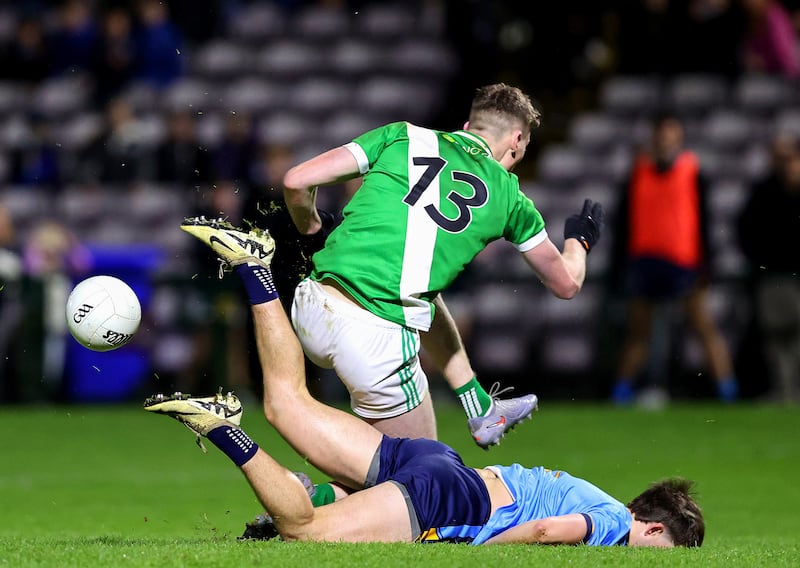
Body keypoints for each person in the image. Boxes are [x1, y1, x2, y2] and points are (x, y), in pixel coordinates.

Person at [144, 224, 704, 546]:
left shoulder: (598, 493)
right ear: (653, 529)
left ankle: (256, 269)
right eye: (667, 555)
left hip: (439, 461)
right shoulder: (612, 523)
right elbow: (544, 533)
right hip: (452, 497)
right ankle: (224, 430)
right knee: (308, 532)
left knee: (287, 402)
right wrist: (466, 544)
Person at [279, 83, 603, 447]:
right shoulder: (508, 194)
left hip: (309, 307)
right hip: (373, 337)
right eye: (524, 146)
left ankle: (479, 406)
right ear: (516, 140)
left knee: (425, 296)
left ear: (467, 126)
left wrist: (310, 227)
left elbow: (296, 180)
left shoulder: (402, 135)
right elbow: (566, 284)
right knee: (423, 476)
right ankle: (301, 501)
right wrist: (579, 240)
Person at [611, 112, 738, 404]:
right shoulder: (636, 174)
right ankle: (620, 393)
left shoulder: (694, 173)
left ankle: (728, 390)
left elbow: (704, 222)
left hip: (684, 264)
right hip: (644, 263)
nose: (665, 141)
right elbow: (623, 224)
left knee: (704, 328)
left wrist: (707, 266)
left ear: (678, 138)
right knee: (638, 334)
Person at [738, 140, 800, 403]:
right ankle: (784, 390)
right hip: (773, 276)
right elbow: (745, 230)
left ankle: (791, 390)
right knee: (776, 335)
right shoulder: (764, 192)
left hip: (794, 276)